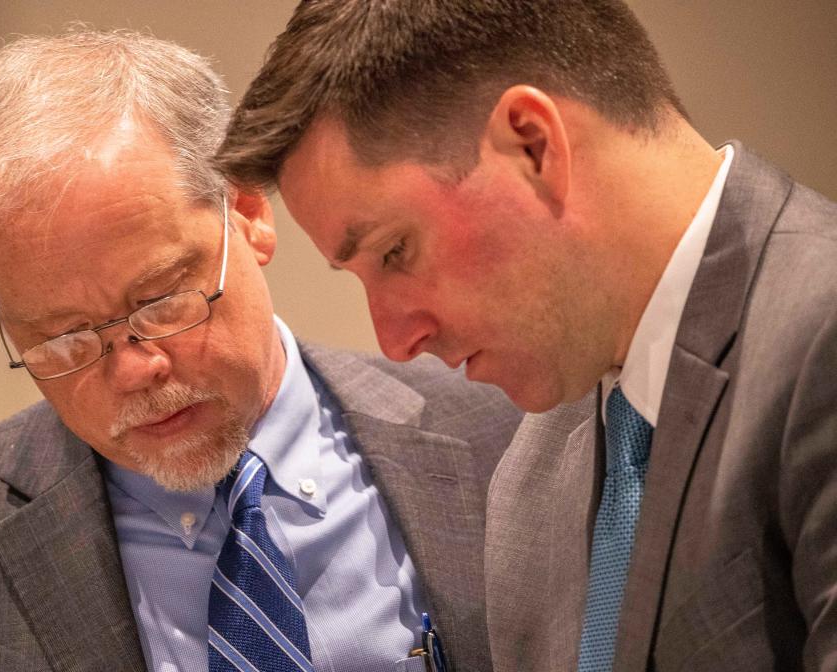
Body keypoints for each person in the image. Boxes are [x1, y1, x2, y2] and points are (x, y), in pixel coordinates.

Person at [214, 1, 837, 670]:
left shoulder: (817, 338)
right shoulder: (531, 478)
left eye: (395, 251)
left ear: (532, 143)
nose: (395, 341)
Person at [0, 29, 523, 672]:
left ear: (247, 213)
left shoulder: (510, 437)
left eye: (161, 302)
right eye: (63, 339)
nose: (134, 370)